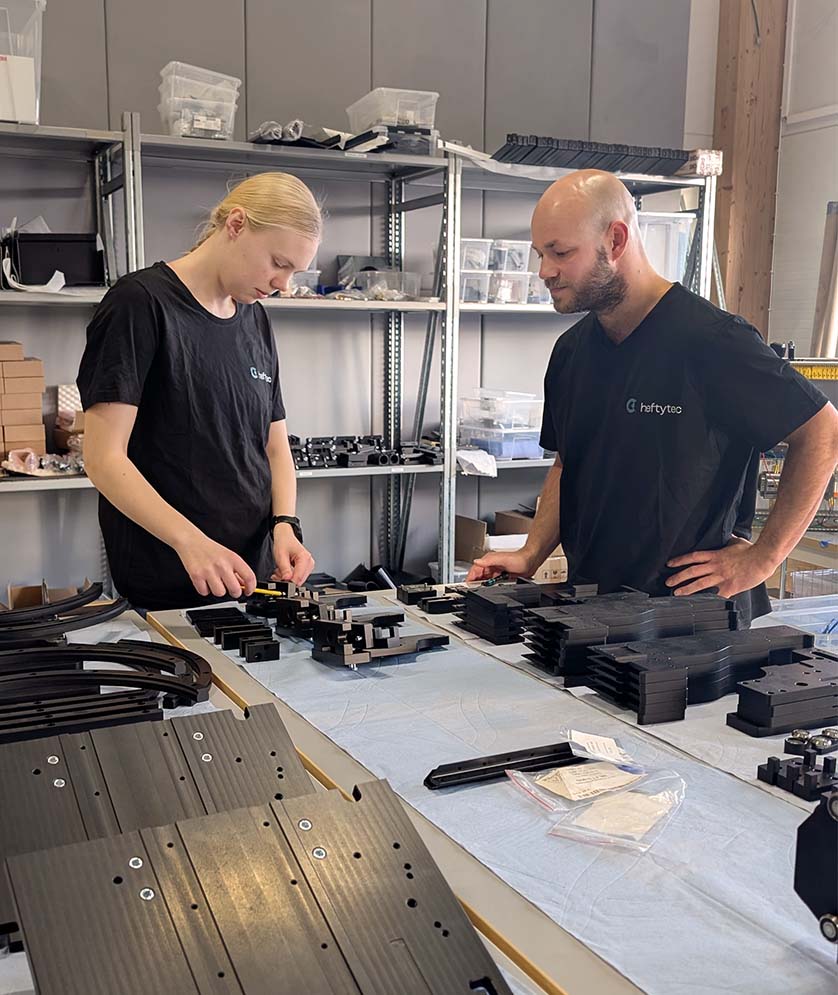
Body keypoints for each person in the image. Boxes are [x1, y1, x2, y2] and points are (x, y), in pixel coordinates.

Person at [467, 169, 838, 624]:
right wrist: (531, 553)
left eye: (560, 253)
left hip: (693, 621)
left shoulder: (712, 342)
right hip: (594, 611)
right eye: (541, 253)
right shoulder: (571, 353)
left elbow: (822, 430)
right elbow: (568, 464)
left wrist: (761, 559)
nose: (544, 271)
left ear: (616, 240)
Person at [77, 172, 319, 611]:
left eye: (294, 272)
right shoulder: (139, 304)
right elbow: (103, 459)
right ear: (237, 225)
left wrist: (284, 524)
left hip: (252, 573)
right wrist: (191, 542)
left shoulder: (254, 317)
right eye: (278, 263)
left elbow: (274, 446)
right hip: (169, 574)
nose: (283, 284)